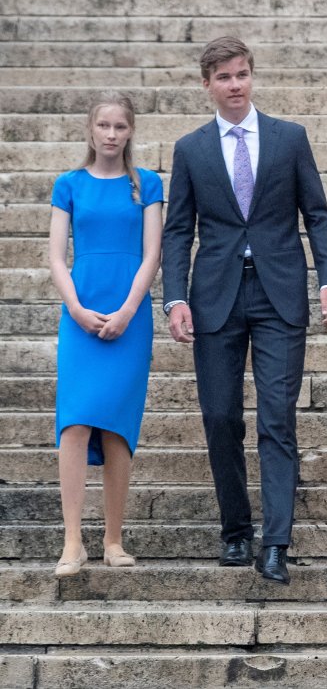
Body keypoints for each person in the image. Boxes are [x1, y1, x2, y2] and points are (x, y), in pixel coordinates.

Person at [162, 36, 327, 585]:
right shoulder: (190, 149)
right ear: (207, 85)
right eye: (223, 77)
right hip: (214, 296)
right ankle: (236, 530)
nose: (235, 84)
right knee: (220, 418)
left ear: (251, 76)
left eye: (241, 74)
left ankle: (276, 544)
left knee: (276, 418)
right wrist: (175, 297)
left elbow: (318, 214)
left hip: (278, 294)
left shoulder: (290, 138)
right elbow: (178, 231)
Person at [48, 92, 163, 577]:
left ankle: (113, 539)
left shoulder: (147, 184)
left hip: (129, 316)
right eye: (104, 125)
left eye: (120, 126)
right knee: (74, 423)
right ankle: (73, 541)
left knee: (117, 427)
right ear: (90, 130)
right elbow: (56, 256)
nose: (111, 134)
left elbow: (152, 254)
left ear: (130, 131)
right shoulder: (69, 184)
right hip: (80, 314)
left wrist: (128, 310)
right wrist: (75, 308)